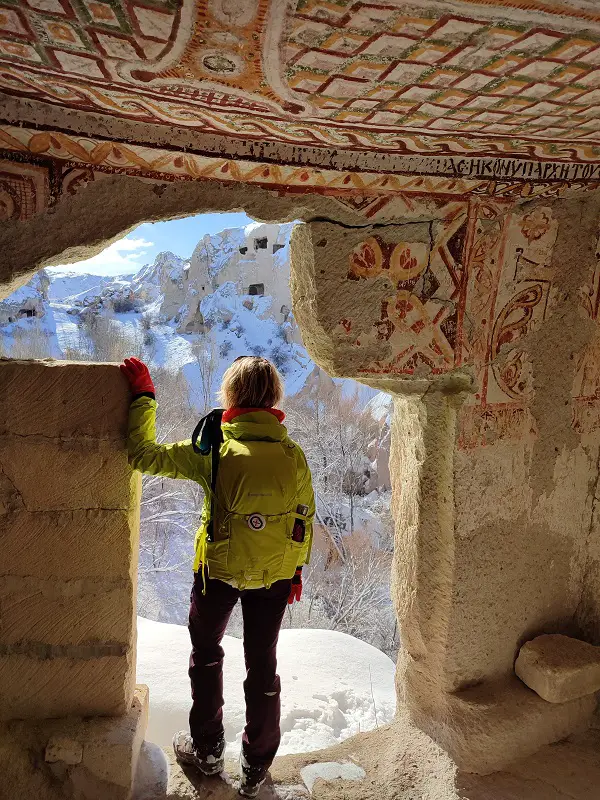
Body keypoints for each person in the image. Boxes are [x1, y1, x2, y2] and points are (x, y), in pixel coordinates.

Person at [120, 355, 315, 798]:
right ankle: (256, 765)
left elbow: (142, 455)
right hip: (275, 577)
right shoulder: (293, 455)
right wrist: (297, 570)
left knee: (207, 654)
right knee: (262, 664)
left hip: (218, 573)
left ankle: (208, 750)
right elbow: (305, 517)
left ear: (231, 396)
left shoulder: (214, 450)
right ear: (274, 399)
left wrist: (144, 396)